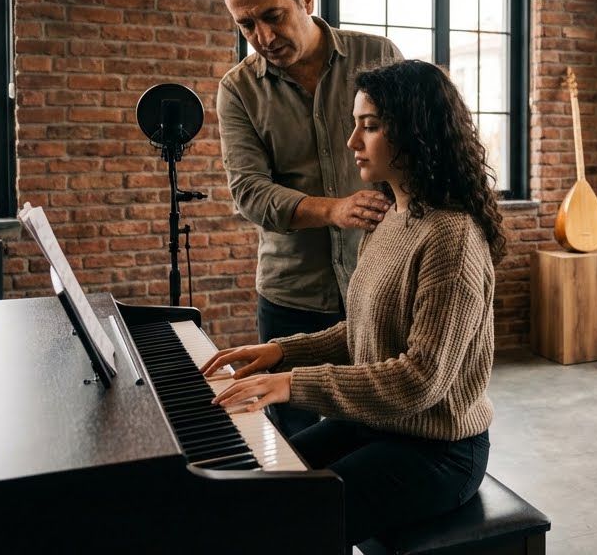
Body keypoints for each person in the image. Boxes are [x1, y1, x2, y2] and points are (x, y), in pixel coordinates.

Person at [201, 59, 506, 546]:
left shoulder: (452, 238)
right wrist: (281, 352)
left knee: (290, 521)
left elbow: (419, 379)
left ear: (413, 132)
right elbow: (362, 330)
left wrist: (292, 384)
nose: (353, 142)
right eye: (354, 125)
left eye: (371, 126)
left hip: (440, 451)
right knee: (263, 479)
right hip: (378, 426)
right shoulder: (389, 220)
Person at [215, 0, 403, 436]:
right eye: (247, 25)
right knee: (292, 441)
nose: (264, 36)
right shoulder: (238, 89)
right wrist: (334, 210)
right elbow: (249, 192)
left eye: (273, 16)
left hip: (380, 277)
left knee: (378, 425)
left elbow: (419, 151)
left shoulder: (377, 56)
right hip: (291, 293)